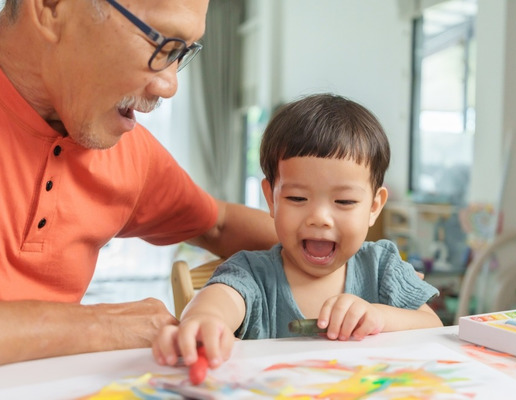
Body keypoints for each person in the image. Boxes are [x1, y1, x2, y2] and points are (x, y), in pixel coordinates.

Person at [0, 0, 278, 379]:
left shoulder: (126, 151)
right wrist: (98, 326)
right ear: (50, 7)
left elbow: (218, 225)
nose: (170, 85)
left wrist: (347, 258)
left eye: (183, 53)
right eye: (161, 44)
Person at [152, 93, 443, 370]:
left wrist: (379, 316)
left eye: (344, 201)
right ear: (271, 199)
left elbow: (433, 327)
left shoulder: (381, 267)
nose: (319, 218)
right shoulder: (253, 274)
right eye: (297, 199)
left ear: (374, 207)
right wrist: (204, 319)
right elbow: (220, 300)